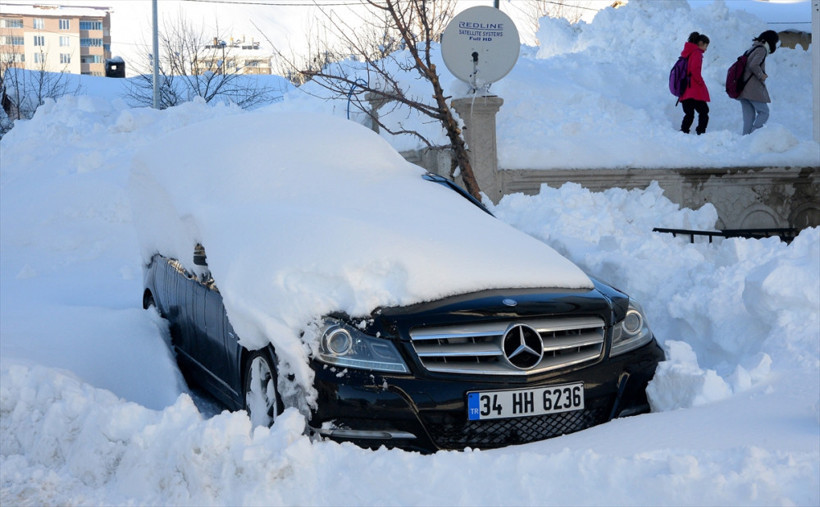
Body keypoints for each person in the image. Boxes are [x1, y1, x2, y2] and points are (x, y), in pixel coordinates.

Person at [738, 30, 779, 135]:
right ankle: (753, 136)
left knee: (748, 117)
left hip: (742, 87)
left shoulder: (752, 48)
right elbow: (753, 65)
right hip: (751, 88)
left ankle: (745, 139)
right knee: (764, 112)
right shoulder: (761, 50)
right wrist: (761, 75)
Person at [678, 32, 711, 135]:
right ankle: (701, 132)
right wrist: (701, 82)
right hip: (693, 90)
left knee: (689, 113)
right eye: (706, 46)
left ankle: (683, 132)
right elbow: (694, 70)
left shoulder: (687, 52)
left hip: (684, 89)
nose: (706, 49)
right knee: (704, 111)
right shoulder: (697, 53)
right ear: (701, 43)